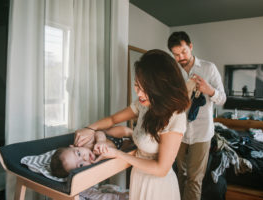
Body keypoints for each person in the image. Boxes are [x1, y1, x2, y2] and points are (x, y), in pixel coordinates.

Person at [74, 49, 190, 200]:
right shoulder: (143, 104)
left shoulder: (175, 117)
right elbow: (113, 119)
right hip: (138, 178)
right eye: (137, 86)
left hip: (157, 186)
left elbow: (161, 169)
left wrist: (118, 154)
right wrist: (90, 128)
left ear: (161, 88)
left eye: (145, 89)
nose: (139, 93)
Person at [167, 31, 227, 200]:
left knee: (195, 179)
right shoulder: (173, 72)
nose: (181, 58)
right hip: (178, 131)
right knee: (179, 174)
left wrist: (210, 90)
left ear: (191, 46)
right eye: (176, 55)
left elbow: (222, 98)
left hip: (202, 133)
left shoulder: (209, 68)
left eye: (184, 52)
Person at [50, 126, 132, 178]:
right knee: (130, 147)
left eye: (79, 153)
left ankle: (133, 134)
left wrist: (100, 141)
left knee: (124, 131)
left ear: (74, 146)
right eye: (81, 165)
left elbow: (98, 133)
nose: (84, 158)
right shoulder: (94, 163)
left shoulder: (85, 142)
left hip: (110, 137)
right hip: (118, 147)